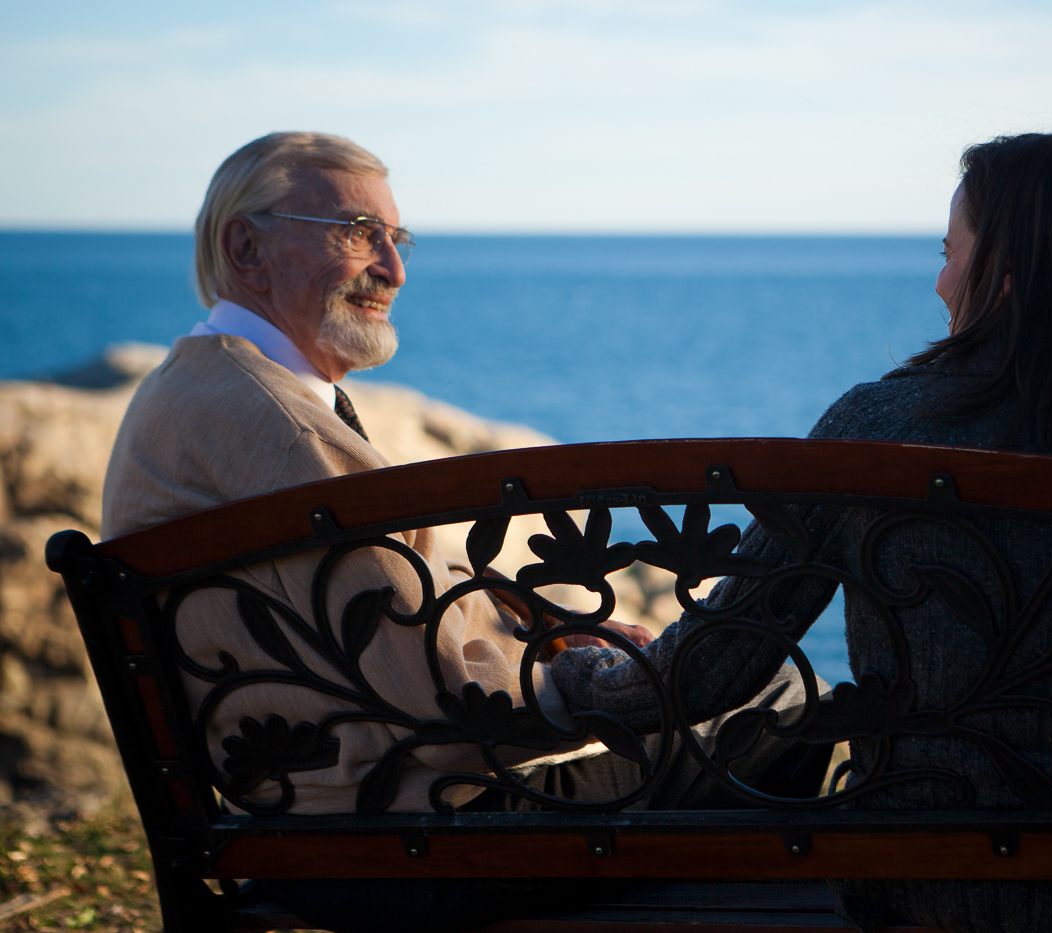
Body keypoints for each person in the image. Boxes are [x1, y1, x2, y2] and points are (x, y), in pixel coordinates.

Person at [101, 132, 829, 933]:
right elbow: (439, 690)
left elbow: (388, 616)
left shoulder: (207, 387)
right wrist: (602, 681)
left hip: (320, 815)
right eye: (356, 231)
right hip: (407, 840)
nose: (394, 268)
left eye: (396, 238)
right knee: (782, 698)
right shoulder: (278, 423)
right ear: (248, 245)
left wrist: (557, 634)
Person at [549, 127, 1052, 933]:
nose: (941, 282)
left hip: (920, 878)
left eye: (951, 252)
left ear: (1006, 273)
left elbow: (713, 670)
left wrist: (579, 671)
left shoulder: (871, 430)